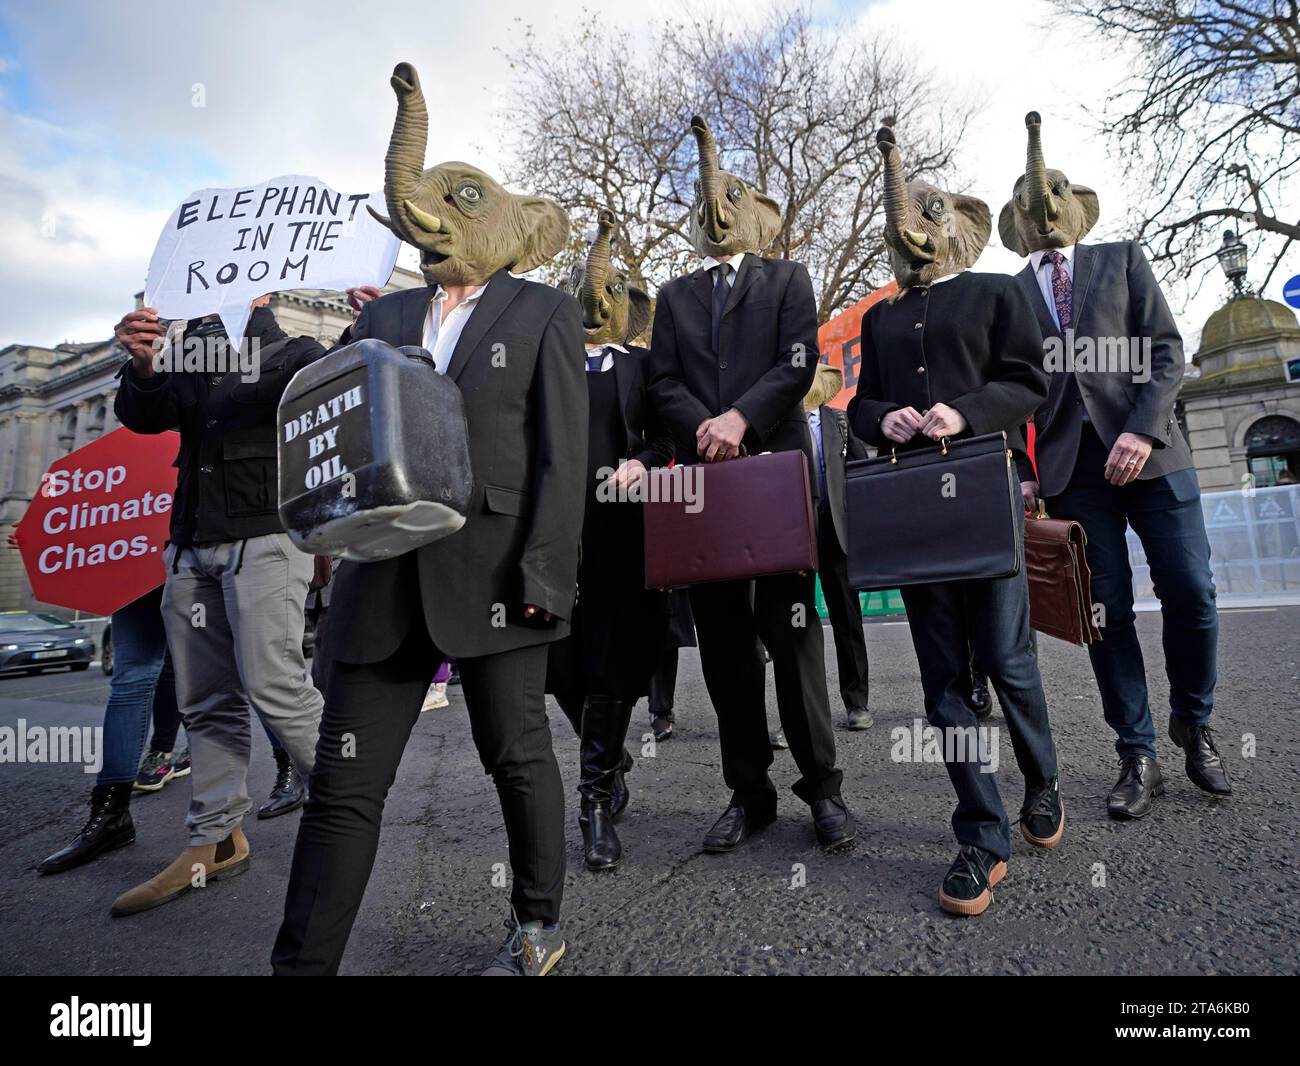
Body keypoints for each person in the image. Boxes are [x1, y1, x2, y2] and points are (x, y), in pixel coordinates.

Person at [271, 62, 584, 977]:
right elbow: (329, 422)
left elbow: (566, 458)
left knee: (516, 757)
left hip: (496, 577)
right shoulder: (389, 312)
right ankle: (301, 966)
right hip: (380, 578)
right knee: (343, 787)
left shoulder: (544, 312)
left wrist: (545, 577)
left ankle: (537, 921)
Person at [848, 126, 1063, 917]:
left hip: (986, 493)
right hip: (915, 514)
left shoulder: (999, 291)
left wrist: (961, 414)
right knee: (944, 681)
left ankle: (1043, 782)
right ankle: (981, 830)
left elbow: (1028, 382)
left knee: (1007, 663)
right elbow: (862, 406)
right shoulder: (879, 317)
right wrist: (887, 420)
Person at [1000, 111, 1230, 817]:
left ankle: (1193, 720)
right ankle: (1138, 753)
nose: (1046, 214)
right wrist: (1020, 464)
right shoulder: (1007, 293)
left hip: (1155, 455)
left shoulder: (1122, 258)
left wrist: (1141, 429)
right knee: (1107, 614)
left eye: (1055, 200)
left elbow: (1166, 350)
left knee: (1191, 589)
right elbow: (1007, 386)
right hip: (1072, 474)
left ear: (1076, 209)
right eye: (1030, 208)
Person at [647, 115, 855, 855]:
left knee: (794, 641)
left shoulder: (788, 279)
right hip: (706, 493)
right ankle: (749, 794)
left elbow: (799, 361)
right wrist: (706, 425)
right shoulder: (670, 298)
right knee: (725, 651)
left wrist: (739, 418)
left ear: (750, 218)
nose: (718, 216)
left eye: (730, 203)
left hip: (774, 489)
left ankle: (824, 792)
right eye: (708, 206)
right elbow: (660, 382)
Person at [109, 295, 328, 917]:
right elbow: (147, 418)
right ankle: (216, 838)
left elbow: (317, 394)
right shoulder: (187, 347)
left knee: (275, 684)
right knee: (204, 699)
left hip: (263, 536)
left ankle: (345, 806)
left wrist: (251, 318)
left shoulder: (289, 347)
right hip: (190, 542)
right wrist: (146, 366)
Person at [547, 210, 674, 871]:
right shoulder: (543, 361)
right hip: (552, 538)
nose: (595, 303)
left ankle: (595, 798)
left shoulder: (645, 367)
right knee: (559, 665)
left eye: (609, 293)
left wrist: (644, 464)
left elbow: (666, 436)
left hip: (622, 536)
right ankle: (610, 753)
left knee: (613, 660)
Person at [36, 586, 182, 873]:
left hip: (201, 554)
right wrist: (38, 540)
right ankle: (111, 814)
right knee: (130, 681)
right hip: (136, 567)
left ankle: (283, 771)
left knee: (241, 671)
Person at [803, 363, 873, 731]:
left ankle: (856, 701)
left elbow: (863, 472)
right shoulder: (775, 423)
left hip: (835, 532)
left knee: (847, 620)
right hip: (793, 535)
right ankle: (799, 711)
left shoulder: (840, 422)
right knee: (796, 624)